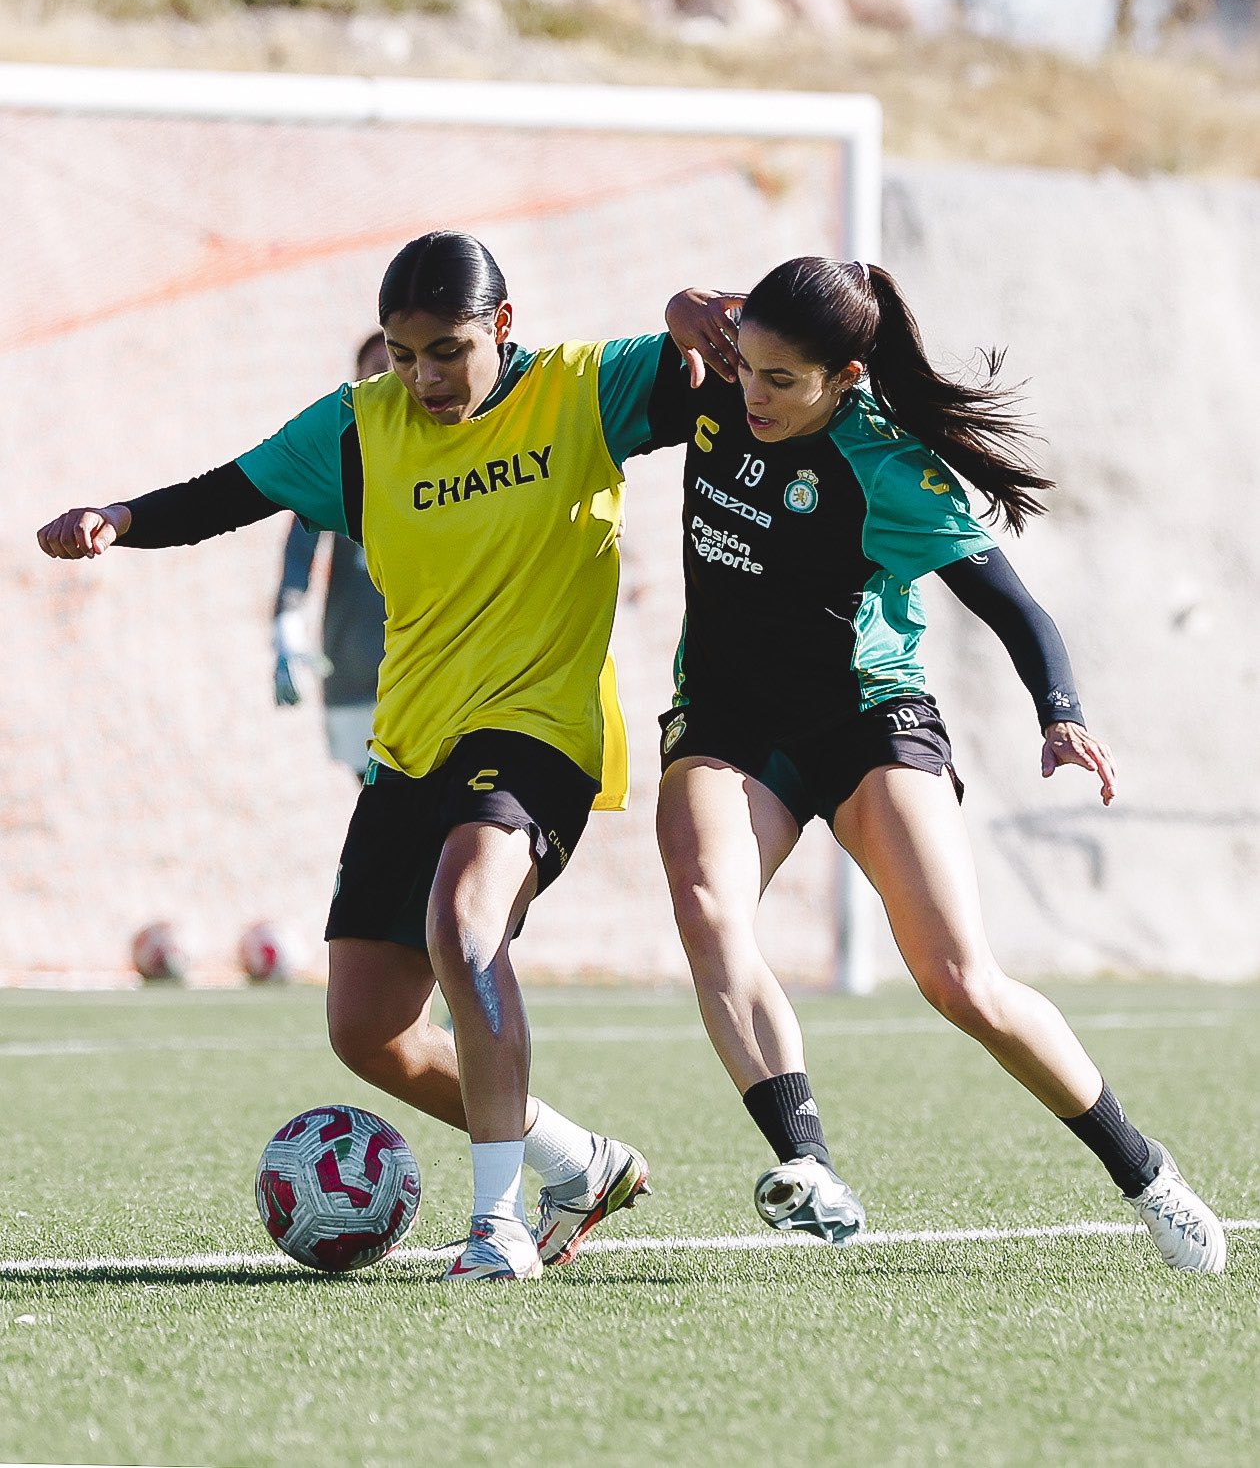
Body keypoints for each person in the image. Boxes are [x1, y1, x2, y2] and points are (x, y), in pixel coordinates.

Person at [36, 230, 718, 1283]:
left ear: (501, 325)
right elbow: (232, 492)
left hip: (540, 735)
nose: (423, 377)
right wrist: (120, 517)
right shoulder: (362, 428)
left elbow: (739, 377)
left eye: (445, 350)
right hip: (409, 747)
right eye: (402, 354)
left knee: (465, 921)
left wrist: (690, 312)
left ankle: (497, 1229)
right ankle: (579, 1164)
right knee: (367, 1031)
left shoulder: (585, 390)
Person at [641, 256, 1226, 1274]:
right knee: (709, 911)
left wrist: (1061, 714)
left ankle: (1146, 1174)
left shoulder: (887, 470)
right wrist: (684, 306)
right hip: (729, 719)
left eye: (786, 381)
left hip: (865, 718)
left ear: (847, 376)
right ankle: (809, 1167)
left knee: (960, 982)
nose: (756, 395)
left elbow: (1016, 608)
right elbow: (685, 315)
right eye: (750, 371)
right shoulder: (719, 374)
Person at [272, 332, 389, 783]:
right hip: (357, 671)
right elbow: (299, 557)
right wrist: (287, 635)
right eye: (373, 370)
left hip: (433, 671)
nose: (385, 379)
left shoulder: (447, 454)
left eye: (394, 366)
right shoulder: (335, 466)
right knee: (383, 814)